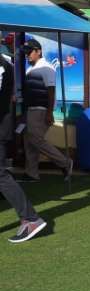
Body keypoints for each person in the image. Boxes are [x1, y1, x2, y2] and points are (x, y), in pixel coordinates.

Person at [0, 53, 47, 243]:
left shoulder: (2, 66)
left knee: (1, 176)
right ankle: (29, 218)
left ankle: (30, 218)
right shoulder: (5, 64)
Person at [19, 39, 72, 182]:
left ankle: (65, 163)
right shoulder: (31, 68)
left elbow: (51, 90)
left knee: (35, 140)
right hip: (31, 110)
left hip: (40, 111)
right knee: (29, 142)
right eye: (25, 53)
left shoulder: (47, 67)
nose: (27, 55)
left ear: (38, 51)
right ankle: (32, 173)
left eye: (29, 52)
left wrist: (49, 112)